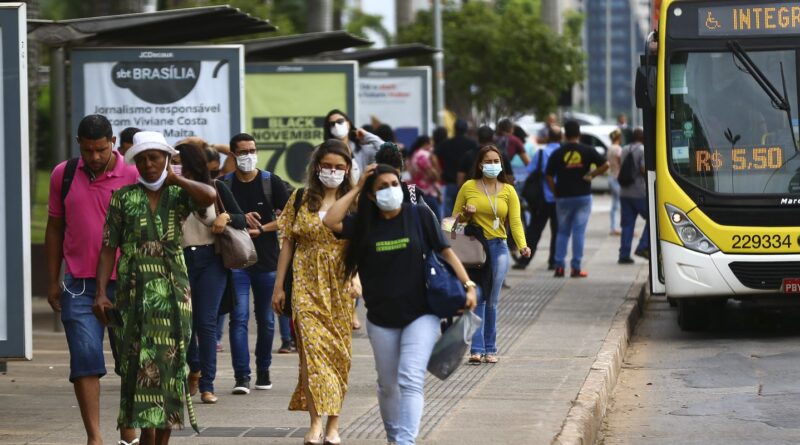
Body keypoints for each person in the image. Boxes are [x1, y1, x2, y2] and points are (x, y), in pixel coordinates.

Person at [323, 164, 478, 445]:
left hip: (422, 313)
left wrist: (468, 284)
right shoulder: (363, 223)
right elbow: (330, 221)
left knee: (410, 379)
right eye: (382, 187)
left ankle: (405, 441)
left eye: (394, 184)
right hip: (381, 318)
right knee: (387, 384)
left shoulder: (419, 215)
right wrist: (357, 187)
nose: (390, 190)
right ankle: (395, 438)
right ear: (371, 196)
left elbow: (445, 250)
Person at [93, 131, 216, 443]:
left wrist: (178, 180)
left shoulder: (179, 195)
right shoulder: (123, 197)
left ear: (166, 159)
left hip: (173, 290)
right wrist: (100, 293)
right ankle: (144, 436)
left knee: (170, 363)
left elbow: (209, 197)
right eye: (143, 159)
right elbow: (108, 248)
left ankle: (161, 439)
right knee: (136, 366)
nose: (148, 164)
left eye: (155, 157)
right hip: (132, 291)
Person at [45, 114, 139, 445]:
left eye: (101, 149)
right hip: (78, 284)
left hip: (127, 283)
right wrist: (52, 280)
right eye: (88, 150)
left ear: (113, 143)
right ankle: (95, 437)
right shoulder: (64, 174)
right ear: (79, 146)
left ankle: (128, 422)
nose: (95, 157)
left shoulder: (133, 173)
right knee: (85, 359)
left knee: (130, 359)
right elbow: (55, 226)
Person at [272, 139, 357, 445]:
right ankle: (316, 422)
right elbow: (287, 243)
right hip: (305, 283)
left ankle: (334, 424)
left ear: (347, 169)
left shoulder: (355, 202)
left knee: (337, 356)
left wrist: (357, 278)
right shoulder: (299, 198)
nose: (332, 172)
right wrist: (279, 286)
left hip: (340, 286)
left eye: (339, 167)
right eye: (327, 166)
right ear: (317, 167)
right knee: (311, 355)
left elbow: (360, 245)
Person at [175, 141, 246, 404]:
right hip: (179, 259)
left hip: (210, 259)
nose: (174, 166)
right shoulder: (168, 189)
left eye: (179, 161)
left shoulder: (215, 187)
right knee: (185, 323)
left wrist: (224, 218)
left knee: (205, 322)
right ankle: (194, 368)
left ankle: (208, 384)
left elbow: (239, 218)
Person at [221, 133, 291, 395]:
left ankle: (263, 370)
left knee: (266, 320)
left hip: (267, 262)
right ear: (233, 155)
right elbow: (216, 218)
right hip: (237, 261)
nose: (248, 156)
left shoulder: (271, 181)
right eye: (242, 152)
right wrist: (236, 219)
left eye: (252, 150)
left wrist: (263, 229)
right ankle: (242, 376)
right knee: (238, 319)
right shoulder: (224, 184)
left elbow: (288, 218)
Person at [454, 145, 530, 364]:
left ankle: (490, 349)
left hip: (498, 248)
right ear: (480, 164)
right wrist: (466, 216)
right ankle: (476, 350)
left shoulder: (508, 190)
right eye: (488, 161)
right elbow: (452, 222)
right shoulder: (469, 187)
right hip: (475, 250)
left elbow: (515, 221)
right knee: (478, 297)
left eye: (496, 162)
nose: (493, 165)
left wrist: (523, 245)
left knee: (492, 300)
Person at [545, 120, 609, 278]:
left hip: (563, 197)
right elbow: (606, 164)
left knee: (562, 232)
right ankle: (576, 268)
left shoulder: (558, 153)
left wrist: (555, 191)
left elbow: (548, 175)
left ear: (564, 135)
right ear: (579, 134)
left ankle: (559, 267)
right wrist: (591, 175)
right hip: (583, 196)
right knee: (578, 232)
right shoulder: (588, 150)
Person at [513, 125, 562, 271]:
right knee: (558, 231)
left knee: (535, 230)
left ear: (547, 138)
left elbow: (529, 170)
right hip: (560, 199)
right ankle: (554, 261)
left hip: (542, 200)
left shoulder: (541, 153)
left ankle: (524, 261)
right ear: (561, 138)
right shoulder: (563, 153)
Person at [618, 128, 650, 264]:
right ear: (643, 138)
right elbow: (643, 168)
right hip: (639, 192)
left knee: (627, 224)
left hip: (624, 192)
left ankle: (624, 255)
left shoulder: (624, 149)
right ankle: (643, 246)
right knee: (653, 219)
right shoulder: (642, 150)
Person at [324, 109, 383, 181]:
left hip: (362, 191)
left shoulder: (362, 150)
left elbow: (388, 151)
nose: (336, 125)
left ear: (348, 124)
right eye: (332, 124)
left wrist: (367, 136)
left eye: (340, 121)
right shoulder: (325, 152)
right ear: (329, 129)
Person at [435, 118, 478, 216]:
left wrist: (439, 170)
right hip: (468, 184)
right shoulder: (472, 144)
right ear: (466, 129)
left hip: (450, 183)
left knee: (449, 213)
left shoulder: (446, 143)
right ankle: (462, 231)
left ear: (454, 129)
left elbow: (434, 155)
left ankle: (450, 231)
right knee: (466, 213)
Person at [407, 135, 442, 219]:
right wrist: (435, 163)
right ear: (426, 144)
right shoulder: (424, 155)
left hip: (415, 192)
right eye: (431, 145)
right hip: (427, 193)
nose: (432, 147)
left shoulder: (414, 155)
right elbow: (433, 176)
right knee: (435, 221)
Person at [607, 129, 623, 235]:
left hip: (611, 176)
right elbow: (620, 160)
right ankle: (618, 227)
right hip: (617, 177)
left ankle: (613, 227)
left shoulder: (609, 148)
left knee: (614, 203)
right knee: (620, 204)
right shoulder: (617, 148)